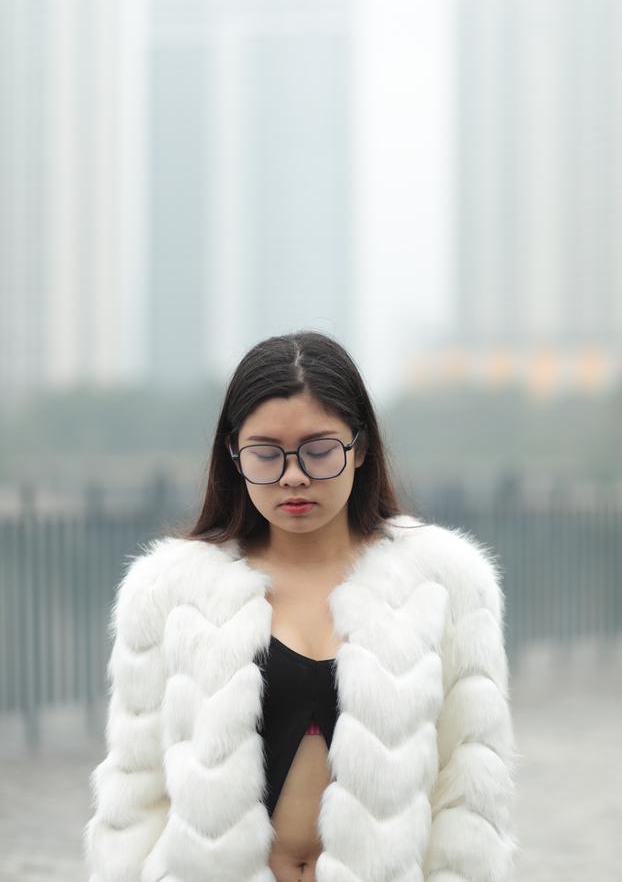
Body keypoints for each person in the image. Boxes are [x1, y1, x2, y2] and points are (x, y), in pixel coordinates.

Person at [83, 330, 519, 882]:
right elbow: (135, 792)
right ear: (234, 456)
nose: (294, 475)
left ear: (360, 448)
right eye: (266, 454)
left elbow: (471, 791)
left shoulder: (446, 581)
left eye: (319, 451)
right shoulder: (167, 589)